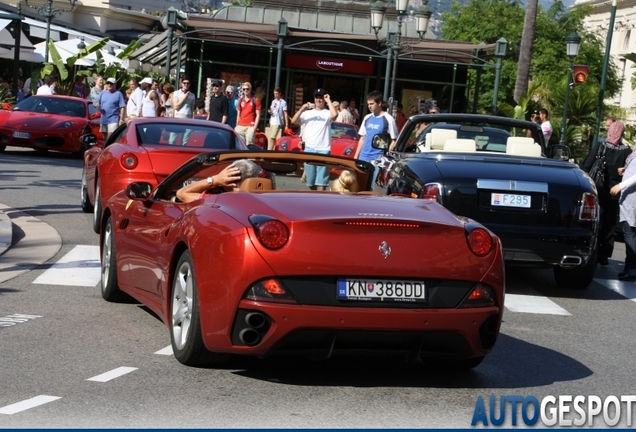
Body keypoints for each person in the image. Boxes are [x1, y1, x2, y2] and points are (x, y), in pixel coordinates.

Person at [582, 120, 632, 266]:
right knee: (610, 223)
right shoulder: (626, 151)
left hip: (599, 189)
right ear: (622, 133)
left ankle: (593, 250)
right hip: (615, 192)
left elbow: (586, 165)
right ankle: (604, 254)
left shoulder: (601, 147)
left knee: (598, 221)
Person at [290, 87, 338, 190]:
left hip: (323, 149)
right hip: (309, 149)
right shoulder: (307, 113)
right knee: (311, 183)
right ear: (314, 98)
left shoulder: (327, 113)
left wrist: (329, 100)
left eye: (321, 97)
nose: (318, 100)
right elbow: (293, 121)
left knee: (321, 183)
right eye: (317, 97)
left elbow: (335, 115)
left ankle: (320, 203)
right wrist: (302, 108)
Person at [353, 90, 399, 183]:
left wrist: (386, 156)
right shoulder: (367, 118)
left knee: (372, 188)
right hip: (363, 158)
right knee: (360, 184)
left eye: (372, 104)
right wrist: (356, 156)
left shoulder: (388, 119)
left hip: (377, 160)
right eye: (368, 104)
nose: (369, 106)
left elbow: (394, 140)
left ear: (379, 103)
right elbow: (362, 138)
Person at [176, 159, 261, 203]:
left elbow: (181, 193)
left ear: (230, 183)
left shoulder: (217, 200)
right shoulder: (269, 199)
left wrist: (215, 179)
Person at [610, 143, 636, 280]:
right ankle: (629, 268)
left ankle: (632, 270)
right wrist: (626, 170)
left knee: (629, 235)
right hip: (630, 199)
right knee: (630, 235)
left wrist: (621, 185)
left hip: (632, 201)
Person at [94, 77, 125, 142]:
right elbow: (95, 102)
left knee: (110, 137)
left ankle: (106, 149)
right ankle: (106, 149)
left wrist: (121, 119)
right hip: (104, 119)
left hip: (113, 119)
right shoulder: (103, 93)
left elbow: (122, 107)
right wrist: (96, 104)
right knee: (105, 138)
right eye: (108, 83)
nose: (109, 85)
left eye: (111, 83)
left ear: (115, 85)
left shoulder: (118, 94)